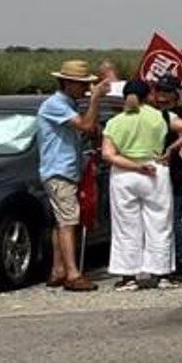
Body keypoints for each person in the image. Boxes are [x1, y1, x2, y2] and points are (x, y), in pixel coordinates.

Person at [35, 58, 115, 290]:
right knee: (69, 221)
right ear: (67, 83)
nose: (85, 90)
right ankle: (72, 273)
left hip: (66, 169)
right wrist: (97, 99)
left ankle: (58, 269)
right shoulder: (56, 105)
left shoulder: (66, 104)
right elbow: (87, 125)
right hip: (58, 170)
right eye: (82, 85)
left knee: (62, 221)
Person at [101, 78, 176, 288]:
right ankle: (161, 274)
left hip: (124, 174)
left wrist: (134, 166)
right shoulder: (160, 116)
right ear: (148, 96)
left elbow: (108, 154)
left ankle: (128, 277)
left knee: (126, 226)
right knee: (159, 223)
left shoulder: (115, 122)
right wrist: (169, 150)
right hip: (155, 170)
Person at [149, 76, 182, 278]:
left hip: (177, 173)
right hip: (166, 172)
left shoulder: (179, 114)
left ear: (175, 94)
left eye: (166, 92)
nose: (161, 96)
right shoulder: (159, 114)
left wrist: (173, 152)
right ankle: (174, 261)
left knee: (174, 219)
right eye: (159, 91)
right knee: (169, 219)